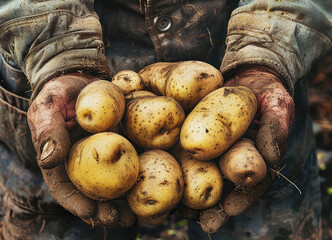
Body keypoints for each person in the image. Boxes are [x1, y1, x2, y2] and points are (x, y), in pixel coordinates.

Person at [0, 0, 331, 239]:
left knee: (262, 208)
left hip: (235, 62)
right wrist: (56, 49)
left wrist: (267, 51)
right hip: (64, 93)